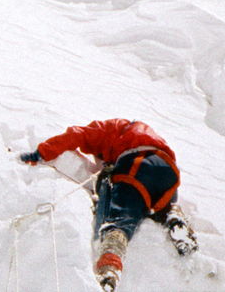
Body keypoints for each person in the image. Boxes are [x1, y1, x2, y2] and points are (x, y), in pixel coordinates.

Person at [19, 118, 197, 291]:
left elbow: (77, 134)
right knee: (156, 205)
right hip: (168, 173)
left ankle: (109, 269)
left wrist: (42, 152)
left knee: (121, 221)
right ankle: (173, 218)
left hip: (136, 165)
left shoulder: (109, 129)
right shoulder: (146, 134)